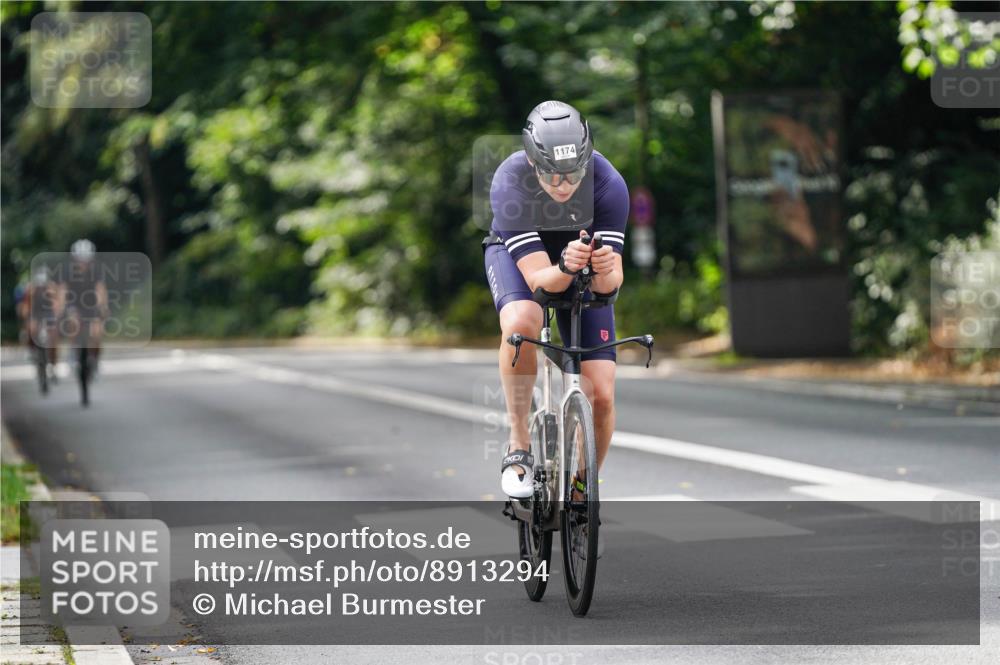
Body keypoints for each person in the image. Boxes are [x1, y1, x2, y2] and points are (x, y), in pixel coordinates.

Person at [483, 100, 629, 499]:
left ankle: (582, 489)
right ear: (532, 163)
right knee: (521, 322)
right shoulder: (509, 180)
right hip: (522, 258)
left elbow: (610, 284)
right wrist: (565, 267)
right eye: (552, 175)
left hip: (575, 255)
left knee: (600, 393)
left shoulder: (607, 183)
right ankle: (519, 444)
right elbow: (538, 282)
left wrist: (602, 268)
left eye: (573, 174)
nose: (564, 186)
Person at [63, 239, 108, 374]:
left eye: (86, 260)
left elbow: (100, 289)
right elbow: (63, 291)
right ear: (75, 259)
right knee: (73, 323)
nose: (83, 263)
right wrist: (63, 307)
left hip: (91, 305)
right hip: (74, 304)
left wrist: (102, 306)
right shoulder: (68, 271)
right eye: (80, 260)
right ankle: (72, 352)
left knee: (97, 332)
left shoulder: (96, 270)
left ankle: (95, 360)